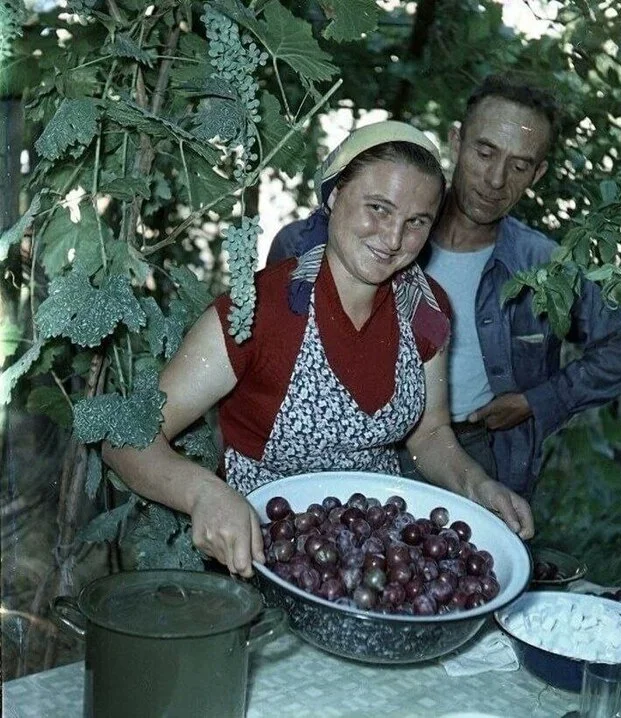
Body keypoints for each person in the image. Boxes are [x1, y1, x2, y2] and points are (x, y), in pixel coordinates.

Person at [102, 120, 534, 579]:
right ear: (333, 195)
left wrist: (478, 485)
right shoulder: (258, 312)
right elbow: (125, 440)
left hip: (377, 561)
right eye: (378, 208)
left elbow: (428, 434)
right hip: (263, 557)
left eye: (416, 222)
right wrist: (202, 492)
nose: (393, 239)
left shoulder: (425, 311)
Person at [267, 77, 621, 499]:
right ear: (456, 142)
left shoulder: (542, 264)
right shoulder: (385, 235)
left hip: (473, 452)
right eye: (484, 153)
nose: (496, 179)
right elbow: (291, 256)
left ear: (538, 173)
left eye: (519, 165)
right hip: (357, 448)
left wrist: (536, 400)